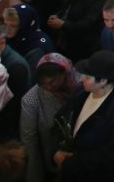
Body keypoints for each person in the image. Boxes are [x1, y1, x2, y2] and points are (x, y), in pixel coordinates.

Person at [21, 54, 78, 182]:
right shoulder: (31, 100)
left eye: (53, 81)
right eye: (43, 83)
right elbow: (30, 142)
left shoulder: (82, 84)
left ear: (64, 72)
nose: (48, 87)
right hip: (52, 162)